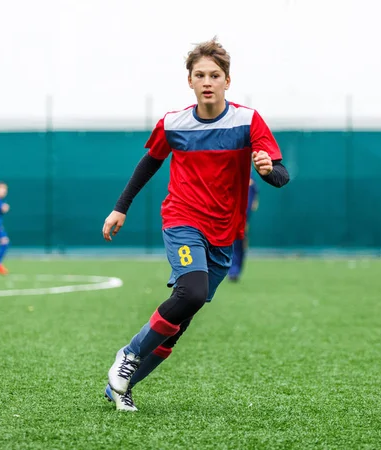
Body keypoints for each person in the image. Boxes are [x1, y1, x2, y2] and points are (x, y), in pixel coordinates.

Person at [101, 38, 290, 411]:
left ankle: (122, 387)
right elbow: (149, 164)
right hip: (182, 219)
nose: (207, 81)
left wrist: (268, 170)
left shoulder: (247, 120)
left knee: (183, 317)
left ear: (227, 81)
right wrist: (120, 207)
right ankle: (129, 353)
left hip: (225, 232)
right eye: (199, 75)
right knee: (190, 292)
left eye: (214, 75)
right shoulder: (173, 123)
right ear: (189, 81)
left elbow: (281, 174)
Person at [228, 173, 259, 282]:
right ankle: (232, 270)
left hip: (244, 217)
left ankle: (236, 270)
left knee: (239, 242)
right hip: (230, 215)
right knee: (231, 242)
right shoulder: (229, 171)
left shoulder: (251, 175)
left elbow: (254, 197)